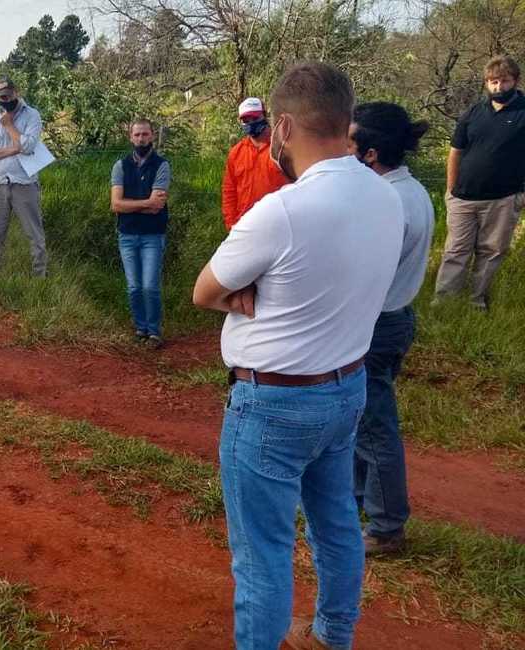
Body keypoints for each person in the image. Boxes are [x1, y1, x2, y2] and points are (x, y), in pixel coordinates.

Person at [192, 63, 404, 650]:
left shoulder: (281, 211)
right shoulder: (388, 198)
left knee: (262, 556)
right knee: (336, 522)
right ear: (346, 120)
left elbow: (204, 291)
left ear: (281, 127)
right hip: (345, 388)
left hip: (272, 401)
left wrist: (249, 288)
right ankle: (333, 635)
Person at [348, 102, 434, 556]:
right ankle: (363, 504)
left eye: (352, 139)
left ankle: (385, 527)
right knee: (365, 421)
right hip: (395, 317)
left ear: (371, 153)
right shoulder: (412, 191)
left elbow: (364, 272)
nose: (345, 145)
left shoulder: (386, 201)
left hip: (377, 324)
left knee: (375, 427)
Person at [433, 55, 525, 310]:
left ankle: (476, 302)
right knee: (455, 251)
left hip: (504, 198)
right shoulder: (473, 112)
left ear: (515, 81)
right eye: (493, 82)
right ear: (486, 83)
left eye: (504, 81)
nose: (498, 87)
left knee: (492, 251)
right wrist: (450, 190)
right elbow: (455, 151)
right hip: (463, 197)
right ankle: (444, 304)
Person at [110, 119, 170, 348]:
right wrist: (146, 202)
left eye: (145, 134)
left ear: (152, 136)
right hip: (126, 234)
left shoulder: (162, 165)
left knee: (150, 286)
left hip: (152, 236)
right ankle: (140, 328)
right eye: (137, 135)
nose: (141, 139)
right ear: (131, 137)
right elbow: (115, 205)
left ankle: (154, 332)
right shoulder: (120, 166)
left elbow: (158, 206)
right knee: (134, 287)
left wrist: (131, 204)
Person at [0, 78, 48, 277]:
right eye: (2, 96)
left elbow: (28, 146)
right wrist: (14, 148)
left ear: (16, 92)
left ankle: (40, 278)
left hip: (24, 184)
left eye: (9, 95)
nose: (6, 99)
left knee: (35, 235)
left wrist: (9, 126)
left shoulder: (32, 115)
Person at [221, 97, 290, 230]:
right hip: (245, 226)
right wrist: (231, 225)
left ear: (264, 115)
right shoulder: (236, 154)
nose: (250, 123)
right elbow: (229, 191)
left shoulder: (282, 148)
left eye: (254, 118)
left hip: (278, 225)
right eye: (246, 120)